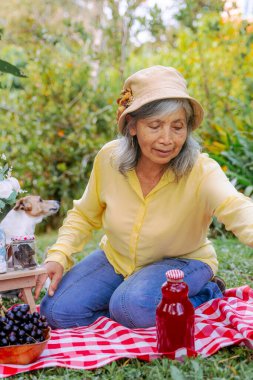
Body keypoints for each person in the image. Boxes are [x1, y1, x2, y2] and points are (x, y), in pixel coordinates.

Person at [35, 66, 253, 329]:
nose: (167, 139)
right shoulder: (109, 159)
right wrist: (58, 256)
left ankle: (206, 293)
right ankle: (138, 306)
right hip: (117, 258)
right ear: (132, 125)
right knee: (56, 311)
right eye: (155, 125)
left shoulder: (201, 170)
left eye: (177, 127)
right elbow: (84, 214)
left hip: (183, 261)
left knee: (131, 306)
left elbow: (236, 207)